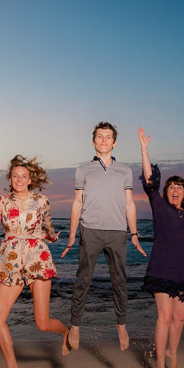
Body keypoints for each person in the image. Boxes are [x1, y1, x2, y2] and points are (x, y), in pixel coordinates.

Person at [0, 156, 69, 368]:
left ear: (30, 180)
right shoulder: (3, 202)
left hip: (38, 259)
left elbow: (47, 226)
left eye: (24, 176)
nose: (19, 179)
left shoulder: (42, 200)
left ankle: (65, 332)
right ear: (10, 179)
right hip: (12, 260)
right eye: (15, 176)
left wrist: (58, 239)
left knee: (42, 324)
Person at [61, 122, 146, 351]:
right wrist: (71, 235)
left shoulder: (124, 170)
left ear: (114, 142)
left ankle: (121, 324)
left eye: (108, 137)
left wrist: (134, 234)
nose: (104, 140)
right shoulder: (83, 170)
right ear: (94, 141)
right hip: (91, 230)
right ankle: (75, 324)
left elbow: (129, 204)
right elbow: (77, 203)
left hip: (118, 232)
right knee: (83, 279)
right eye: (100, 136)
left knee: (119, 280)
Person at [138, 127, 184, 368]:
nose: (175, 190)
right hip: (161, 270)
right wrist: (144, 150)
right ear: (166, 192)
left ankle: (172, 353)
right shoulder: (159, 206)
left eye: (180, 187)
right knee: (164, 316)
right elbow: (149, 180)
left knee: (180, 317)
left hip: (182, 273)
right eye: (171, 187)